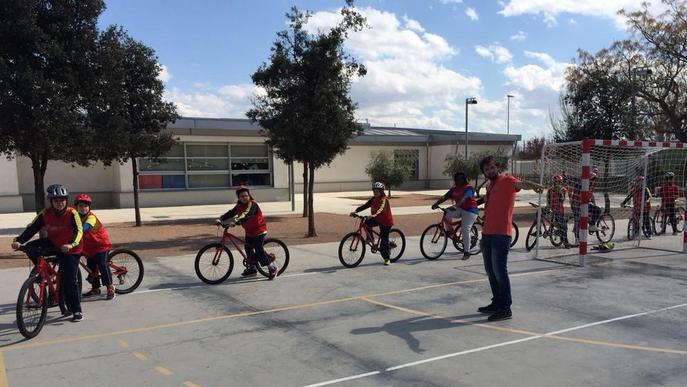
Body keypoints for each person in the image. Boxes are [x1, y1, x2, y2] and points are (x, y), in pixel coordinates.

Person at [478, 156, 543, 321]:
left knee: (500, 272)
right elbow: (488, 202)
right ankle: (497, 302)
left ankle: (505, 308)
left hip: (501, 235)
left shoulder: (507, 181)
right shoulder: (490, 186)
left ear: (497, 167)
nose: (490, 171)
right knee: (491, 272)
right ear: (484, 173)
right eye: (487, 169)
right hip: (487, 234)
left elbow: (521, 184)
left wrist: (534, 186)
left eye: (492, 167)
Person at [11, 184, 85, 322]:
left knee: (69, 280)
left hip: (72, 248)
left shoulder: (72, 213)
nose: (60, 203)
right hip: (54, 242)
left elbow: (79, 231)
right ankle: (45, 271)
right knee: (29, 247)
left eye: (62, 200)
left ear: (66, 200)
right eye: (56, 200)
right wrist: (19, 241)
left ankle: (76, 310)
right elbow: (31, 228)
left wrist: (71, 244)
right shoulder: (45, 213)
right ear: (51, 201)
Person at [218, 185, 278, 279]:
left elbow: (246, 214)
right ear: (239, 198)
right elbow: (231, 213)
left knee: (258, 249)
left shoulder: (252, 204)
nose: (244, 198)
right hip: (249, 231)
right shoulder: (239, 206)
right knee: (248, 247)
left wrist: (235, 221)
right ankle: (252, 269)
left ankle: (272, 268)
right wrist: (221, 219)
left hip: (259, 230)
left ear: (249, 196)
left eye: (246, 195)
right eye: (242, 196)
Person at [431, 172, 479, 260]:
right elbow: (445, 197)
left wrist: (455, 206)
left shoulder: (469, 188)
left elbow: (464, 198)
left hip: (471, 211)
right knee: (447, 212)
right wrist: (436, 203)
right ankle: (450, 232)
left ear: (464, 179)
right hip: (460, 209)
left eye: (461, 178)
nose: (459, 180)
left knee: (465, 229)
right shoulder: (454, 189)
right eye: (457, 179)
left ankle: (467, 252)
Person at [75, 194, 115, 300]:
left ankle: (109, 287)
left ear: (89, 207)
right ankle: (95, 288)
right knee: (91, 268)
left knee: (102, 265)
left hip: (101, 245)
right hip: (89, 247)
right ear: (77, 207)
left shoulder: (91, 217)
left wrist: (76, 232)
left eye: (85, 206)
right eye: (80, 206)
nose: (83, 208)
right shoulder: (76, 217)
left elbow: (85, 227)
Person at [350, 182, 395, 266]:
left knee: (383, 241)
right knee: (366, 222)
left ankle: (387, 258)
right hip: (378, 219)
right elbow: (365, 205)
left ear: (381, 192)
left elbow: (381, 209)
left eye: (377, 191)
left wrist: (373, 215)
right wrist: (355, 211)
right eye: (374, 191)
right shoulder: (373, 199)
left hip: (386, 222)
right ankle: (371, 239)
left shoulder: (384, 200)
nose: (375, 192)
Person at [547, 175, 570, 247]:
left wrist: (563, 193)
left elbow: (562, 200)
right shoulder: (551, 190)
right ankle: (566, 243)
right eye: (557, 182)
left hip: (560, 210)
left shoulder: (561, 190)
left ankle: (561, 236)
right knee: (563, 226)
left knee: (562, 225)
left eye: (559, 182)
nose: (558, 184)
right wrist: (550, 209)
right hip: (555, 211)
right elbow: (548, 201)